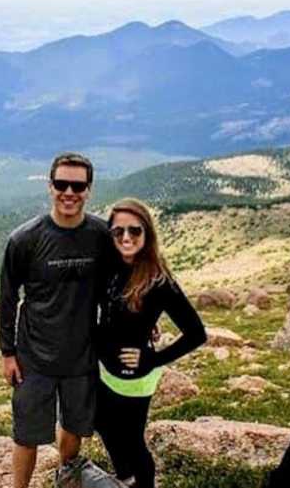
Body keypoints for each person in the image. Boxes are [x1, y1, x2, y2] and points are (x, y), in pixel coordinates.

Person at [0, 152, 113, 488]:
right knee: (27, 434)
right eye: (61, 184)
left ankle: (67, 478)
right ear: (50, 186)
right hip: (33, 356)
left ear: (88, 190)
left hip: (82, 355)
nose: (69, 192)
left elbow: (118, 287)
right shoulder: (24, 240)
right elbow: (7, 299)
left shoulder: (101, 235)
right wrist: (8, 353)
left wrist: (144, 320)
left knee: (75, 427)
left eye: (78, 185)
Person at [95, 198, 207, 488]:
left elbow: (197, 333)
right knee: (102, 423)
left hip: (135, 376)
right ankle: (126, 477)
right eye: (118, 232)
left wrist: (153, 359)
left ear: (147, 234)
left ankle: (140, 483)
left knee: (132, 441)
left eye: (135, 231)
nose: (126, 238)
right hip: (105, 369)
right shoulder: (110, 265)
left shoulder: (158, 279)